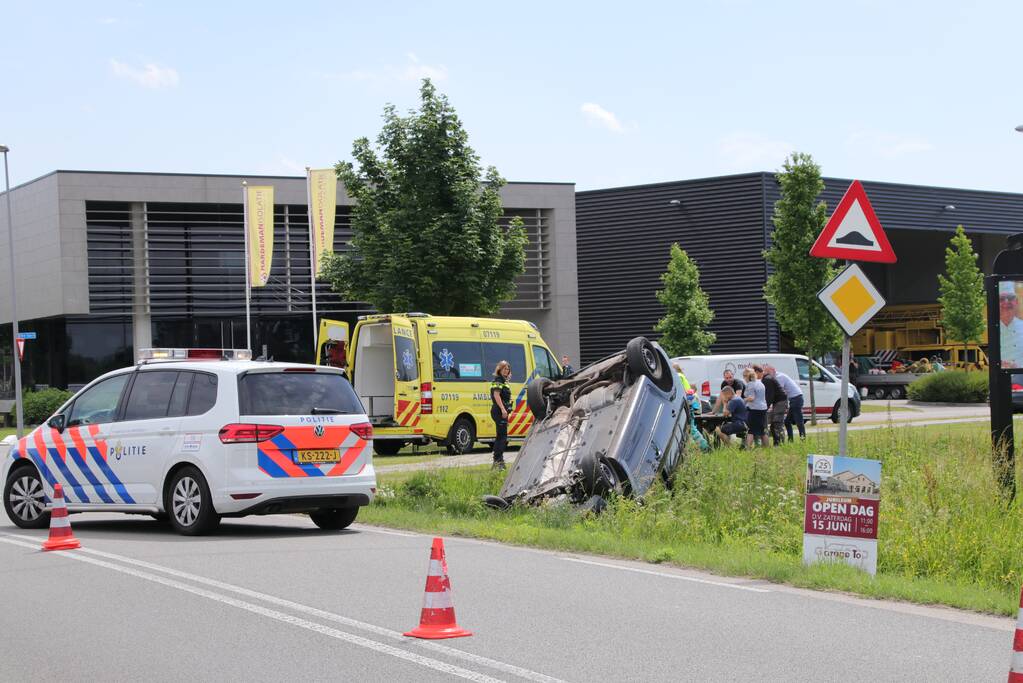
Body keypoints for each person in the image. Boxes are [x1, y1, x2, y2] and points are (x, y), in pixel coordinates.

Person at [766, 363, 805, 441]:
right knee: (787, 421)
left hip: (796, 398)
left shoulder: (779, 377)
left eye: (768, 372)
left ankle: (803, 439)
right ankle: (791, 440)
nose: (767, 375)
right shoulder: (777, 377)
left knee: (799, 420)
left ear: (773, 370)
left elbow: (780, 392)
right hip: (794, 399)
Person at [490, 360, 513, 469]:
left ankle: (498, 461)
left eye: (508, 369)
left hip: (501, 411)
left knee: (501, 436)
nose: (506, 370)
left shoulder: (503, 381)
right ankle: (498, 461)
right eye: (504, 368)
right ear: (499, 369)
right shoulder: (498, 380)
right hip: (499, 411)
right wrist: (503, 410)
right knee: (502, 437)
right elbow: (496, 395)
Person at [757, 365, 788, 446]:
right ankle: (776, 443)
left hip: (781, 401)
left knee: (777, 423)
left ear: (757, 372)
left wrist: (764, 408)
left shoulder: (767, 379)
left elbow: (769, 396)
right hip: (778, 402)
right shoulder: (766, 379)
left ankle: (780, 443)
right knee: (774, 425)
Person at [999, 282, 1023, 369]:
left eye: (1010, 298)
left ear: (1016, 301)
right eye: (1001, 299)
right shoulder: (991, 329)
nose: (1006, 302)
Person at [742, 367, 767, 448]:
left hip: (755, 409)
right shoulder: (760, 383)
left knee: (751, 430)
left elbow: (751, 398)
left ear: (747, 376)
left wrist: (743, 400)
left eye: (744, 376)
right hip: (763, 408)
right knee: (762, 430)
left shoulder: (750, 384)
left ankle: (748, 449)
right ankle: (766, 448)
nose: (744, 378)